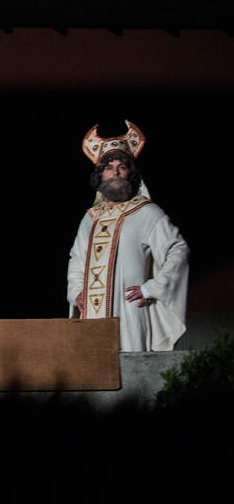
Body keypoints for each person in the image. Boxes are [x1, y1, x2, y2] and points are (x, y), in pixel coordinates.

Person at [67, 122, 189, 351]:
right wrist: (76, 293)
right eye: (109, 167)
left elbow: (178, 249)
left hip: (130, 310)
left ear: (130, 174)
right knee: (92, 364)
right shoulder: (91, 218)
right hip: (92, 315)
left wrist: (152, 288)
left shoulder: (147, 212)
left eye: (122, 166)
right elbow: (77, 258)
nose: (115, 171)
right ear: (100, 174)